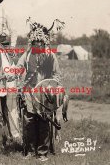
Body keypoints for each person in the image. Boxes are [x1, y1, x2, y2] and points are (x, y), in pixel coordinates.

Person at [14, 19, 68, 161]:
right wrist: (13, 72)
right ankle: (30, 151)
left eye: (40, 42)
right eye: (35, 41)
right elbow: (19, 68)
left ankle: (42, 152)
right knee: (29, 122)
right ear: (31, 42)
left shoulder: (51, 56)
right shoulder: (26, 56)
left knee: (43, 122)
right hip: (29, 93)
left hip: (45, 95)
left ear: (45, 42)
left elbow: (57, 75)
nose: (38, 44)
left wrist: (53, 87)